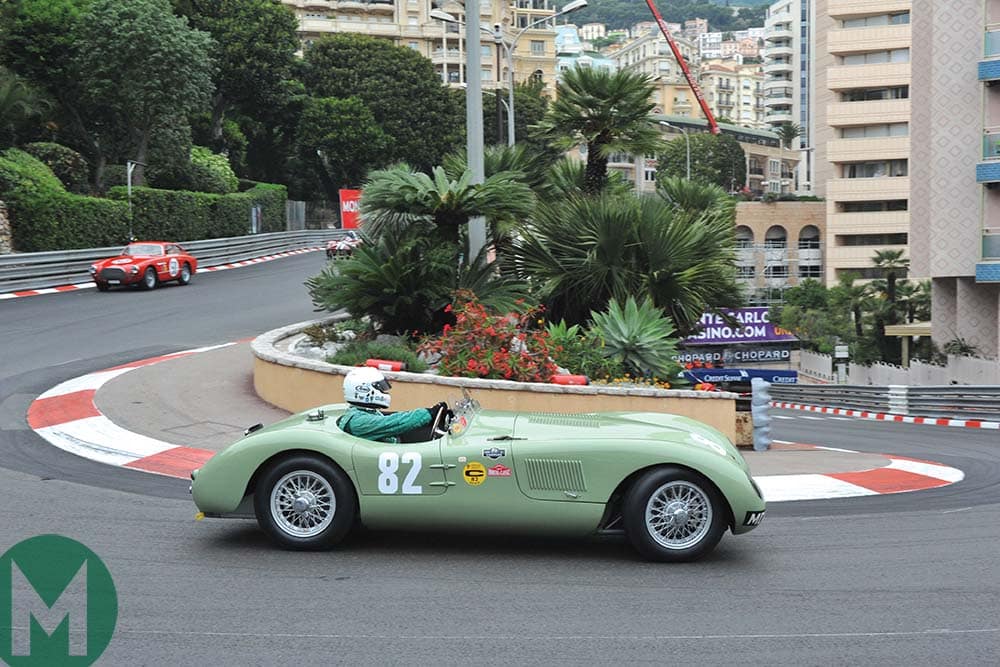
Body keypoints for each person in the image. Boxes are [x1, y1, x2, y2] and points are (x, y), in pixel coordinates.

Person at [337, 366, 451, 443]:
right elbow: (393, 422)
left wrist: (432, 417)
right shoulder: (358, 422)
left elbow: (395, 417)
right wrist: (428, 413)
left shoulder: (363, 412)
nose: (384, 391)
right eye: (380, 387)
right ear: (363, 390)